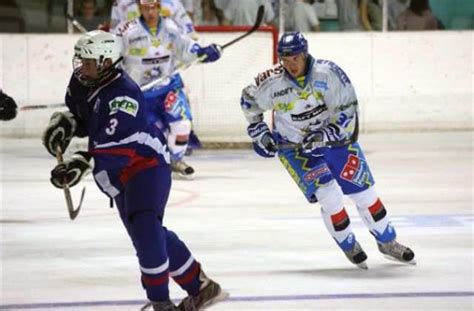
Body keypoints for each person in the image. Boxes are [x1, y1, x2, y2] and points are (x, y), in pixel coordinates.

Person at [41, 30, 227, 310]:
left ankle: (160, 303)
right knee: (149, 233)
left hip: (145, 165)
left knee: (146, 233)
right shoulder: (82, 81)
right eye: (80, 60)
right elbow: (86, 117)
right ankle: (201, 286)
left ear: (106, 62)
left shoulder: (124, 94)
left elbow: (117, 146)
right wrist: (65, 126)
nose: (81, 66)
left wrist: (82, 160)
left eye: (88, 61)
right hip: (115, 172)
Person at [240, 32, 415, 269]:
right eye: (285, 58)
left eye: (295, 57)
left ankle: (387, 242)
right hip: (296, 150)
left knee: (365, 195)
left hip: (336, 142)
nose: (291, 64)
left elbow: (348, 113)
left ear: (305, 53)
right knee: (330, 197)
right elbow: (249, 102)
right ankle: (348, 243)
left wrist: (324, 136)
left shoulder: (329, 74)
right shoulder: (270, 82)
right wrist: (260, 133)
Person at [114, 0, 221, 179]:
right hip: (139, 94)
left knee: (183, 125)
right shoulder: (125, 30)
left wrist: (205, 52)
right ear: (139, 8)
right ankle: (153, 161)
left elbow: (187, 49)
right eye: (146, 8)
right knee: (151, 136)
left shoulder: (171, 27)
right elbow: (112, 56)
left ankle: (175, 159)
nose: (150, 12)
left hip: (168, 88)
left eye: (153, 7)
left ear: (159, 8)